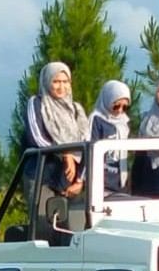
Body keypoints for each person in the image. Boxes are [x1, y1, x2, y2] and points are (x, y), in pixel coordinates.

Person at [23, 61, 89, 197]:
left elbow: (87, 145)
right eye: (56, 81)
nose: (62, 86)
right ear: (47, 82)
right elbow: (37, 138)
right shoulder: (36, 103)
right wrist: (65, 153)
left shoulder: (76, 109)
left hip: (69, 184)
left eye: (66, 82)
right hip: (42, 179)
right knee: (42, 218)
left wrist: (80, 181)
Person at [88, 79, 132, 194]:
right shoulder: (97, 119)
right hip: (101, 184)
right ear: (108, 100)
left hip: (120, 183)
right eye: (116, 106)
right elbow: (90, 150)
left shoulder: (124, 123)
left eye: (125, 107)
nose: (120, 111)